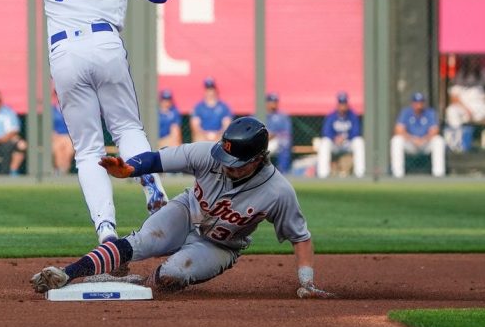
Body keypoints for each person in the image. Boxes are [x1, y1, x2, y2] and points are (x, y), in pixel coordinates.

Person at [31, 117, 334, 300]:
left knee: (171, 277)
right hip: (186, 210)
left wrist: (307, 282)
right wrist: (128, 170)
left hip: (220, 245)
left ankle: (134, 283)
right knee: (141, 242)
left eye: (236, 164)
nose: (226, 167)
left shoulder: (278, 192)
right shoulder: (207, 154)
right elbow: (156, 160)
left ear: (258, 160)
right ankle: (67, 273)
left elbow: (300, 237)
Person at [34, 0, 171, 243]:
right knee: (127, 129)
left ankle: (106, 233)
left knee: (89, 149)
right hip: (103, 43)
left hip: (63, 53)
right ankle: (156, 197)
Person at [445, 56, 485, 153]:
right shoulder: (460, 74)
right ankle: (457, 145)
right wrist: (466, 109)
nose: (473, 62)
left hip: (480, 107)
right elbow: (454, 98)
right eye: (471, 60)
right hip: (464, 108)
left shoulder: (483, 73)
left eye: (475, 59)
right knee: (451, 110)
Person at [391, 92, 446, 177]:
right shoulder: (406, 112)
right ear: (412, 103)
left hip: (425, 143)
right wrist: (412, 139)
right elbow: (398, 130)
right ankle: (398, 173)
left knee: (438, 140)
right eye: (416, 102)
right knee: (396, 140)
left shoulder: (430, 112)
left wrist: (424, 139)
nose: (419, 105)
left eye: (421, 102)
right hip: (411, 143)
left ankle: (438, 173)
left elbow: (435, 130)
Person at [317, 92, 365, 178]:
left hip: (347, 143)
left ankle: (360, 173)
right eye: (341, 103)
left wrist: (345, 138)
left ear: (347, 104)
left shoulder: (352, 115)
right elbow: (326, 132)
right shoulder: (331, 116)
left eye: (344, 103)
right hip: (335, 143)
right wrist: (334, 138)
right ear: (338, 104)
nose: (342, 105)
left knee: (359, 142)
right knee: (324, 143)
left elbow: (356, 132)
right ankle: (323, 174)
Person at [191, 77, 233, 142]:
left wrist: (216, 135)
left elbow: (226, 126)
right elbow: (195, 127)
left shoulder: (224, 107)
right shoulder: (198, 107)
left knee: (224, 138)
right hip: (203, 136)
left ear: (215, 90)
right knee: (198, 137)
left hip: (219, 136)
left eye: (211, 89)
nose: (210, 92)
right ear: (204, 91)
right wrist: (206, 135)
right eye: (207, 89)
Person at [265, 93, 292, 173]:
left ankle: (283, 171)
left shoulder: (282, 116)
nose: (274, 103)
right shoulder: (257, 114)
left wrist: (273, 135)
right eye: (271, 101)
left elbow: (286, 133)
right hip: (261, 141)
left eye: (275, 101)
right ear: (267, 103)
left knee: (284, 142)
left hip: (275, 141)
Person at [52, 101, 74, 176]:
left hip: (69, 136)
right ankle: (59, 171)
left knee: (68, 151)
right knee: (58, 150)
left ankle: (63, 172)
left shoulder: (72, 109)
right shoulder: (51, 109)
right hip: (56, 136)